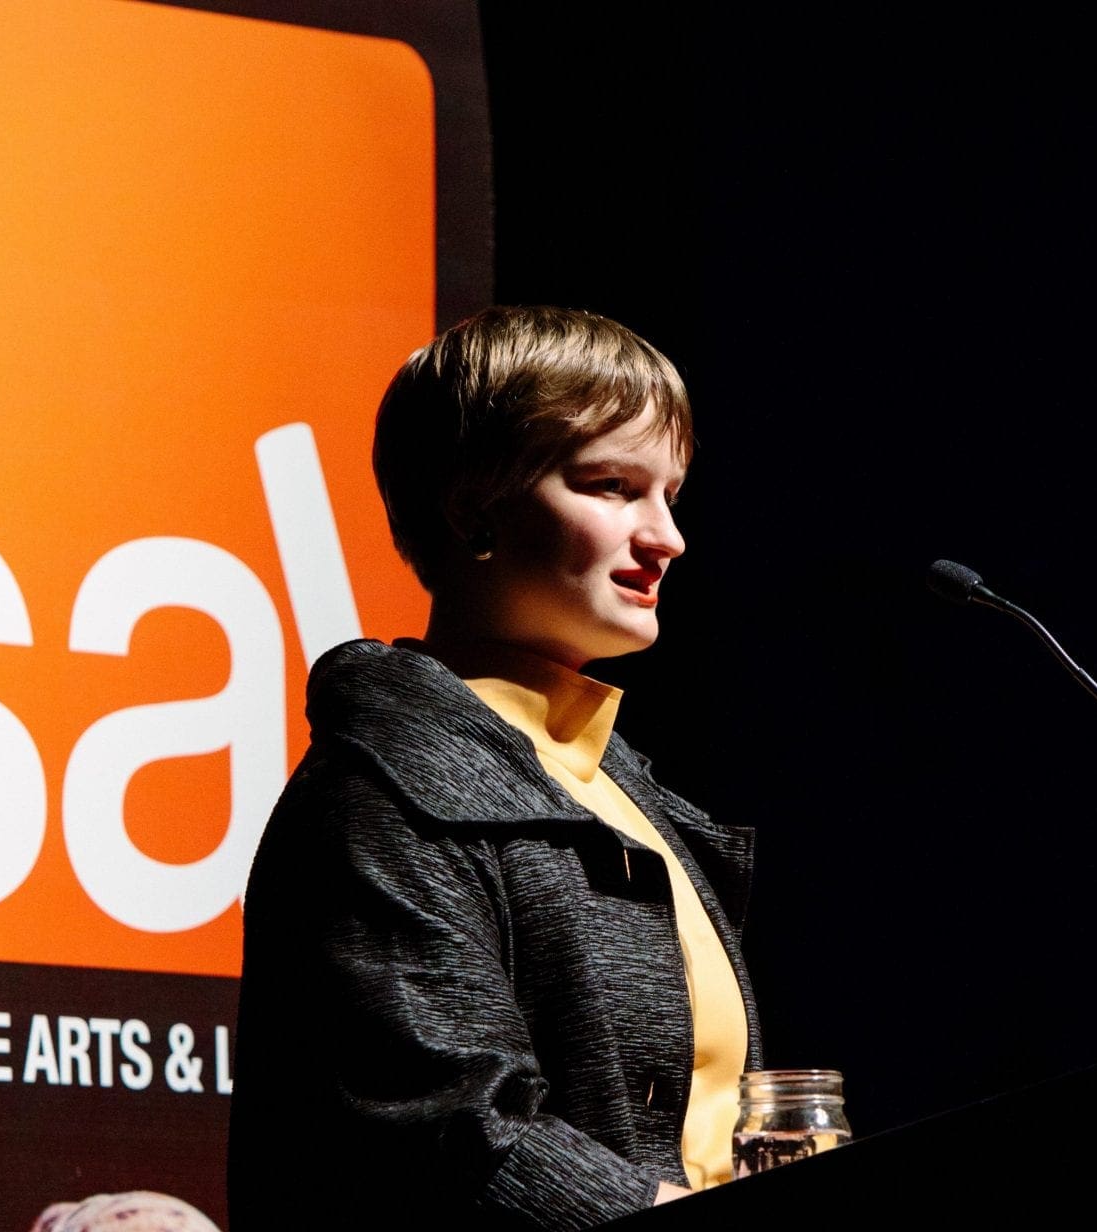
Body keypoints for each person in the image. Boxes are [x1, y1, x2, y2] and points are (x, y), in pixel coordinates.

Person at [228, 306, 761, 1230]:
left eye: (669, 493)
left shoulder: (628, 799)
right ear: (474, 510)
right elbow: (449, 1132)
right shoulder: (382, 794)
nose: (666, 537)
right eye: (612, 487)